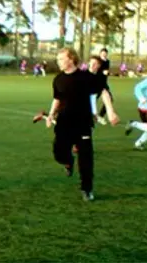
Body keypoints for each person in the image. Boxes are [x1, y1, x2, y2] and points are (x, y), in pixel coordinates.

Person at [46, 48, 119, 202]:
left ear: (71, 59)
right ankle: (68, 162)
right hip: (64, 122)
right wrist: (51, 114)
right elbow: (57, 98)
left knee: (86, 159)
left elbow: (104, 92)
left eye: (61, 58)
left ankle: (87, 189)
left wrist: (111, 112)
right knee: (59, 152)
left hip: (82, 124)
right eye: (57, 59)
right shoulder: (58, 79)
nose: (58, 61)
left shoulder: (86, 77)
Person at [95, 48, 112, 124]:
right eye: (102, 53)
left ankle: (100, 116)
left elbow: (106, 72)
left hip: (104, 84)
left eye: (105, 53)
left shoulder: (107, 61)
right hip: (96, 84)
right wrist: (102, 72)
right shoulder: (97, 61)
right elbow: (95, 71)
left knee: (110, 99)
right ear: (100, 53)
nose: (104, 54)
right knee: (91, 101)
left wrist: (107, 73)